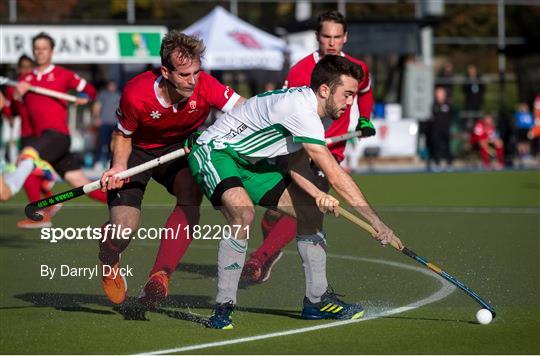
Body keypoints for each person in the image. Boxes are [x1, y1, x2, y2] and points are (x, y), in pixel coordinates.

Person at [188, 55, 404, 329]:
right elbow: (336, 176)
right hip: (215, 152)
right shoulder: (301, 110)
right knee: (243, 214)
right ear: (325, 90)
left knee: (310, 214)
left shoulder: (316, 112)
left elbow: (295, 163)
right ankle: (223, 308)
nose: (351, 103)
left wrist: (316, 195)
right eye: (347, 95)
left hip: (251, 163)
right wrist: (378, 224)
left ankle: (317, 301)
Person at [98, 31, 245, 307]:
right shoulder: (136, 93)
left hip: (178, 148)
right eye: (184, 75)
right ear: (165, 71)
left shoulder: (205, 84)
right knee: (123, 230)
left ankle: (160, 275)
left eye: (197, 73)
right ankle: (109, 258)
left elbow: (245, 111)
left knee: (191, 191)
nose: (193, 81)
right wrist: (118, 167)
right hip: (136, 149)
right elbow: (122, 134)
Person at [241, 10, 376, 284]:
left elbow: (365, 91)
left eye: (337, 37)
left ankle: (259, 258)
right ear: (317, 36)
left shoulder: (356, 69)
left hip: (331, 152)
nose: (331, 42)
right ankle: (270, 244)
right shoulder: (301, 70)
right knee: (274, 213)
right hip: (297, 148)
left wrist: (364, 118)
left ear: (345, 38)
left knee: (308, 207)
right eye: (326, 36)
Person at [0, 33, 107, 227]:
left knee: (28, 156)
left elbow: (90, 90)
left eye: (44, 48)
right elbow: (13, 112)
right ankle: (121, 201)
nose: (40, 52)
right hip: (42, 140)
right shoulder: (25, 79)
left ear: (51, 51)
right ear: (34, 51)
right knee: (82, 184)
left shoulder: (62, 74)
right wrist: (16, 95)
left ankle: (10, 188)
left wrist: (83, 96)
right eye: (37, 48)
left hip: (57, 136)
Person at [92, 80, 121, 169]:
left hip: (114, 123)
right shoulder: (103, 94)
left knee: (112, 143)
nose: (112, 87)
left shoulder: (118, 95)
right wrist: (96, 118)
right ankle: (97, 161)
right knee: (101, 143)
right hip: (104, 122)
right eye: (110, 85)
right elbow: (97, 106)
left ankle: (109, 161)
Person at [429, 87, 454, 171]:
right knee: (436, 146)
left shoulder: (448, 104)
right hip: (436, 129)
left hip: (446, 128)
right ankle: (437, 163)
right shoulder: (434, 105)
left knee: (447, 146)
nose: (439, 95)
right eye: (437, 93)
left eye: (440, 93)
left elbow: (452, 115)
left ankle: (449, 163)